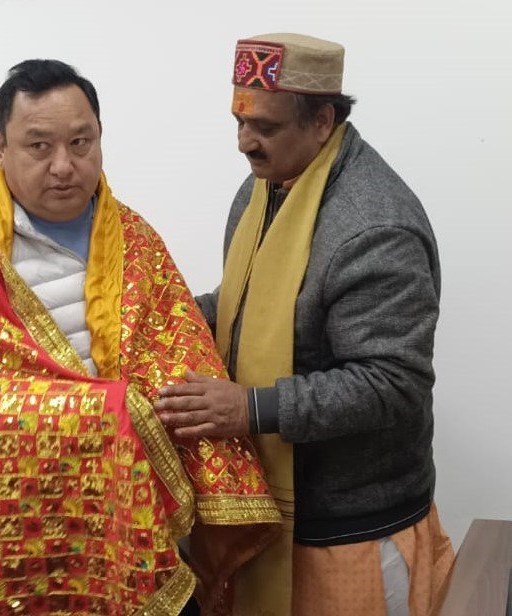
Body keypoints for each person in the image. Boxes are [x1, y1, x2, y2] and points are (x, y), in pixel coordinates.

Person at [0, 59, 281, 615]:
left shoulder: (136, 239)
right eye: (39, 146)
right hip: (18, 529)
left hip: (139, 514)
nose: (63, 166)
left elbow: (177, 349)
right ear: (0, 146)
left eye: (81, 143)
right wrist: (106, 413)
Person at [156, 33, 455, 615]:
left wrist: (249, 409)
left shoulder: (375, 227)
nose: (244, 142)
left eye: (265, 126)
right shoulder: (265, 187)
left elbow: (392, 383)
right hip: (269, 512)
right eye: (239, 122)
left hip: (350, 535)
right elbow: (248, 303)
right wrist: (164, 315)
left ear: (322, 121)